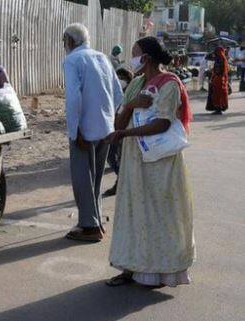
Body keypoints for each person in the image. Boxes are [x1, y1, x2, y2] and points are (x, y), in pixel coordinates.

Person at [105, 36, 195, 288]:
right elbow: (118, 123)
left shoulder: (169, 84)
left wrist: (125, 134)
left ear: (146, 57)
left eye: (135, 53)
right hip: (135, 161)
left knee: (160, 214)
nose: (132, 58)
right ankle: (130, 268)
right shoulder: (135, 84)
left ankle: (161, 272)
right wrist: (131, 105)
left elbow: (163, 123)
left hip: (161, 163)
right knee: (133, 213)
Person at [62, 23, 124, 242]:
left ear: (70, 40)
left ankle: (90, 227)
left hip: (85, 129)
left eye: (64, 41)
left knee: (82, 179)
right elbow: (118, 94)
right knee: (95, 179)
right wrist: (110, 119)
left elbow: (73, 98)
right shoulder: (102, 58)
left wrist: (75, 130)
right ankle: (93, 219)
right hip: (105, 128)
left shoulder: (72, 60)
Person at [103, 67, 133, 197]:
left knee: (116, 157)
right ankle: (121, 181)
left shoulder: (131, 94)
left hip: (124, 131)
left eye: (123, 78)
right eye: (118, 78)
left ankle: (121, 182)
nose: (120, 81)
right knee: (111, 156)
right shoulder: (113, 92)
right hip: (114, 129)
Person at [205, 46, 229, 115]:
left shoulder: (220, 59)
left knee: (217, 94)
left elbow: (218, 70)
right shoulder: (221, 58)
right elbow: (207, 57)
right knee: (218, 94)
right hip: (220, 78)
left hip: (218, 78)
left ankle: (218, 109)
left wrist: (214, 76)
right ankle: (219, 108)